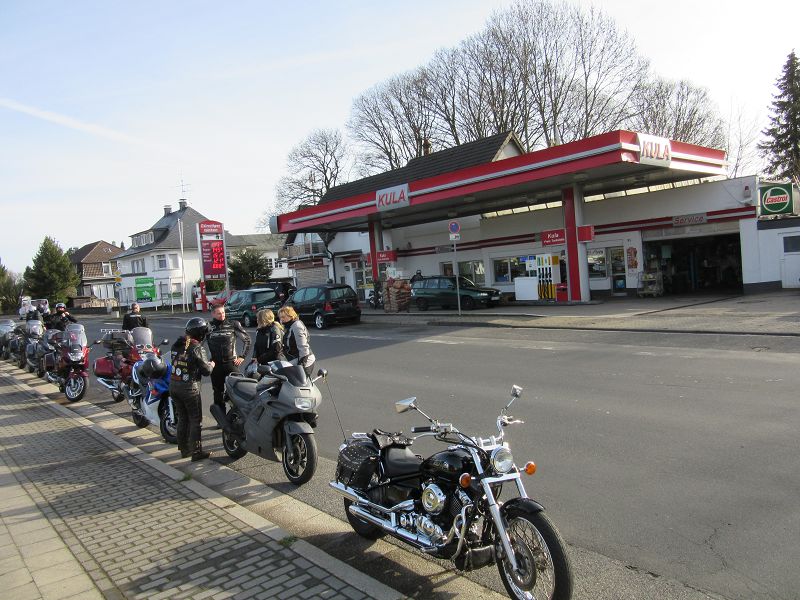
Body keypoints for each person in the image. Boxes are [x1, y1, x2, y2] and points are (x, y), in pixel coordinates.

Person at [169, 317, 215, 461]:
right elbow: (206, 370)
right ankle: (196, 452)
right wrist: (212, 364)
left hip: (174, 386)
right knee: (195, 420)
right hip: (190, 388)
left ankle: (184, 449)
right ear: (201, 334)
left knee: (183, 418)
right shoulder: (197, 348)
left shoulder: (177, 345)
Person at [206, 304, 251, 411]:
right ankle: (220, 418)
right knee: (218, 392)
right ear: (213, 314)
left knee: (237, 390)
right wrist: (204, 361)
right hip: (215, 365)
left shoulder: (233, 324)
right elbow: (198, 345)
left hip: (231, 363)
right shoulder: (207, 327)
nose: (222, 315)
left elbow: (247, 340)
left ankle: (237, 415)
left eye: (223, 312)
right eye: (219, 313)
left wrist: (242, 356)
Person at [278, 306, 315, 375]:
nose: (281, 319)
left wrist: (301, 365)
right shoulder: (289, 326)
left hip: (305, 360)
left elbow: (303, 348)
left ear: (291, 316)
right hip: (295, 359)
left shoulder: (296, 326)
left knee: (301, 384)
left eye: (283, 317)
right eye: (280, 317)